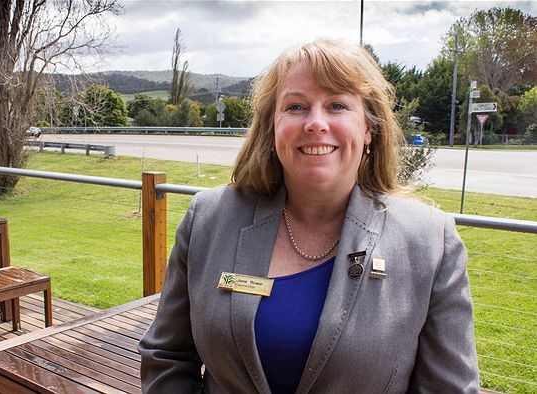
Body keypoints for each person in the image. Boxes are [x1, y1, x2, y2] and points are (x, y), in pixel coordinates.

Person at [138, 39, 479, 393]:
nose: (316, 123)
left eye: (337, 105)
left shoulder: (429, 242)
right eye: (296, 106)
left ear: (369, 129)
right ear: (272, 127)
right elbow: (167, 355)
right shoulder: (208, 219)